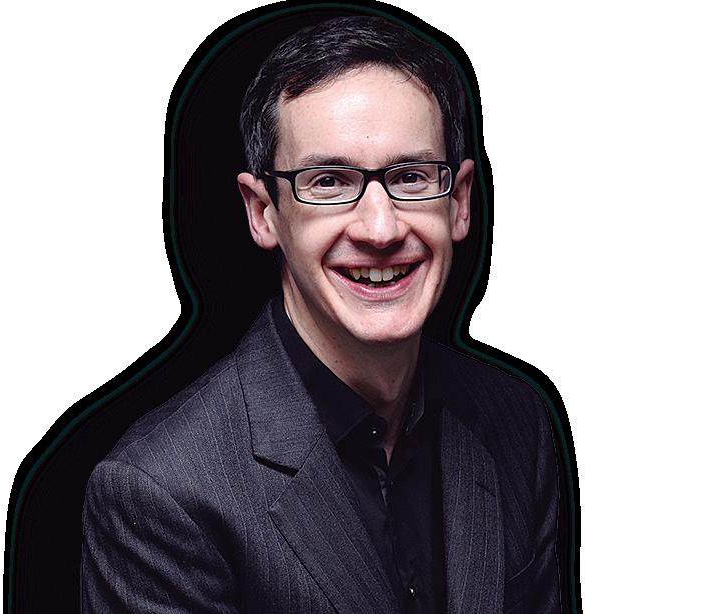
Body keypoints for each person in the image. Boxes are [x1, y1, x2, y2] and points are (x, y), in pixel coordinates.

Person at [81, 13, 569, 613]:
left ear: (460, 203)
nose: (380, 229)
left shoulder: (518, 421)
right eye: (330, 182)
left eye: (411, 177)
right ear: (263, 213)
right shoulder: (162, 492)